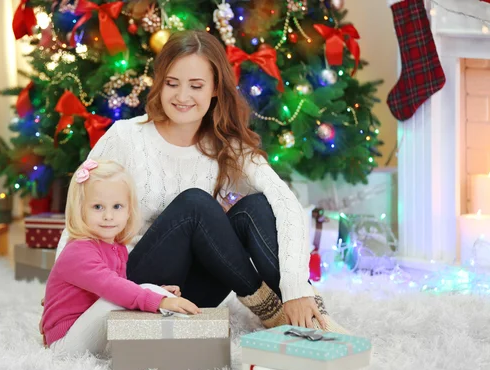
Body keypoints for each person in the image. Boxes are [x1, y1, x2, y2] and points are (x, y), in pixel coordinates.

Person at [56, 30, 346, 333]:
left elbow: (284, 202)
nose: (182, 97)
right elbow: (78, 211)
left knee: (257, 205)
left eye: (196, 86)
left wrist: (297, 286)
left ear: (215, 89)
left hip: (191, 295)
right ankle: (267, 305)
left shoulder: (227, 144)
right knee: (194, 204)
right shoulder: (126, 137)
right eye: (172, 83)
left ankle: (309, 313)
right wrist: (60, 291)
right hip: (132, 286)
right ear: (159, 83)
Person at [41, 159, 200, 356]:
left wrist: (157, 294)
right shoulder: (78, 250)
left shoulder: (116, 246)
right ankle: (189, 337)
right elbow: (111, 287)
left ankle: (187, 338)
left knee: (144, 294)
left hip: (86, 329)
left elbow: (118, 287)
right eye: (98, 207)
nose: (108, 216)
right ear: (80, 209)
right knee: (136, 294)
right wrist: (158, 300)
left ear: (128, 210)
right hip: (65, 343)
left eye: (117, 206)